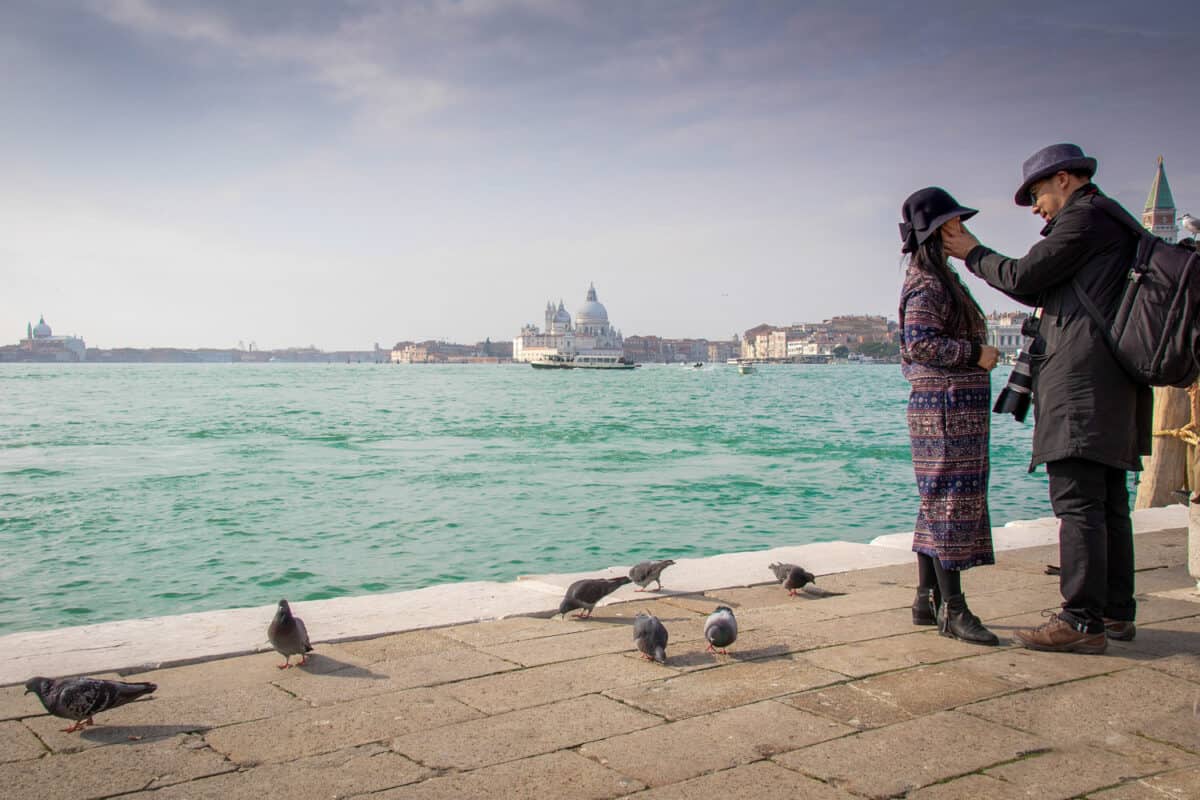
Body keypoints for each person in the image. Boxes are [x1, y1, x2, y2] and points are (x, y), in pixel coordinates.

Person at [943, 143, 1152, 655]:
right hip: (1115, 379)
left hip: (1083, 382)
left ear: (1064, 179)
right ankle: (1114, 612)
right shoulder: (1117, 223)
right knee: (1107, 501)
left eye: (1036, 195)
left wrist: (970, 250)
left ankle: (1080, 620)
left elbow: (1024, 277)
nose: (1036, 208)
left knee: (1079, 501)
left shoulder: (1084, 220)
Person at [898, 187, 1001, 646]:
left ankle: (925, 598)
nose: (963, 229)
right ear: (939, 231)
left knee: (936, 501)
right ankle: (954, 610)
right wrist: (976, 353)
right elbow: (919, 343)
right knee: (947, 504)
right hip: (945, 410)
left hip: (952, 409)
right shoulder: (927, 282)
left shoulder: (938, 277)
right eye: (955, 223)